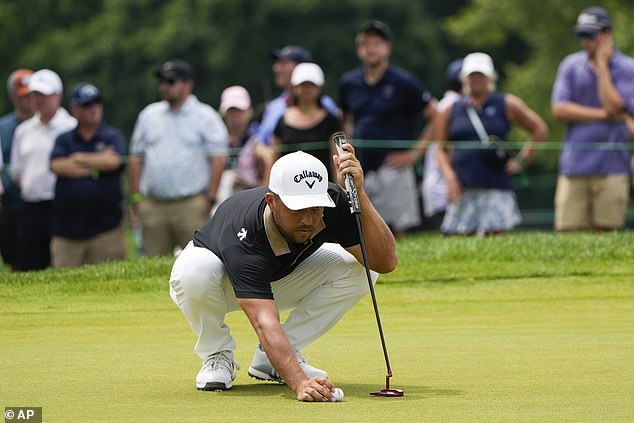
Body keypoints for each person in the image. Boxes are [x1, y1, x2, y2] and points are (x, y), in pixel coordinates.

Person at [169, 148, 397, 401]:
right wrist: (300, 383)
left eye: (314, 208)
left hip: (278, 277)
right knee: (195, 271)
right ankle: (216, 354)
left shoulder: (332, 203)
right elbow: (263, 321)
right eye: (297, 209)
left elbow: (384, 262)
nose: (308, 219)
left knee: (363, 270)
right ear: (272, 202)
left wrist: (360, 195)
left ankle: (272, 360)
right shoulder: (246, 231)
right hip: (219, 285)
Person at [339, 20, 437, 238]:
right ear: (359, 50)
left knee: (396, 229)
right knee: (361, 226)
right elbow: (344, 120)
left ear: (387, 48)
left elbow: (436, 114)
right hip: (361, 164)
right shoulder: (349, 83)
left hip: (393, 166)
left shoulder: (403, 82)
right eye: (365, 44)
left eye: (377, 43)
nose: (371, 48)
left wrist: (415, 154)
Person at [435, 52, 548, 236]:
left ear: (490, 77)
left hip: (496, 185)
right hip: (463, 186)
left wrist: (522, 160)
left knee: (495, 237)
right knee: (460, 239)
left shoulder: (506, 103)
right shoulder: (450, 109)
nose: (477, 80)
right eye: (472, 75)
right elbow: (440, 148)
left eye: (481, 75)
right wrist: (449, 177)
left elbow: (539, 129)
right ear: (464, 78)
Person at [129, 59, 229, 257]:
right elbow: (135, 158)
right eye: (162, 82)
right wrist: (136, 198)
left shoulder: (205, 116)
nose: (164, 87)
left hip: (191, 204)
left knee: (200, 262)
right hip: (154, 205)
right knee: (152, 265)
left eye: (171, 82)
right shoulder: (149, 115)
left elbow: (218, 158)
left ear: (188, 85)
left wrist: (210, 198)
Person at [551, 6, 634, 232]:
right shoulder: (570, 66)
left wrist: (603, 68)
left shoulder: (628, 68)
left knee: (607, 233)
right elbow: (560, 110)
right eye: (581, 35)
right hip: (574, 165)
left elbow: (616, 105)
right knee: (566, 232)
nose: (584, 41)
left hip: (613, 166)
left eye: (589, 35)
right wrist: (606, 116)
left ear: (607, 34)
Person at [49, 83, 127, 267]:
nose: (93, 109)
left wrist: (78, 157)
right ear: (75, 110)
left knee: (112, 286)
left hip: (107, 229)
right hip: (68, 231)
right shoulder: (64, 139)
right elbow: (57, 166)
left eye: (96, 103)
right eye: (87, 105)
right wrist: (98, 163)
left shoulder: (112, 136)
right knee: (63, 287)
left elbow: (115, 162)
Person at [10, 69, 77, 270]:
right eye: (35, 95)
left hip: (61, 205)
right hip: (30, 207)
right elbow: (17, 172)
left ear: (58, 95)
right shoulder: (23, 131)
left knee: (62, 263)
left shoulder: (71, 127)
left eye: (44, 95)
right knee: (29, 265)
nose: (39, 100)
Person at [254, 45, 339, 148]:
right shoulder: (274, 107)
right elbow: (260, 142)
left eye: (284, 63)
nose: (276, 68)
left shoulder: (327, 107)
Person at [272, 63, 342, 180]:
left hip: (323, 188)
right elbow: (274, 159)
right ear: (294, 88)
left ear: (320, 88)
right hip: (288, 189)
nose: (306, 89)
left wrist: (339, 191)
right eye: (302, 85)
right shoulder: (282, 121)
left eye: (311, 85)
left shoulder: (331, 121)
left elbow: (336, 160)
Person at [0, 69, 34, 271]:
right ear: (13, 96)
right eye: (24, 96)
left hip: (41, 202)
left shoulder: (48, 125)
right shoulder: (3, 128)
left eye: (32, 94)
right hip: (11, 203)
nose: (29, 100)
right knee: (15, 258)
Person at [215, 85, 264, 206]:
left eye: (239, 110)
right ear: (224, 112)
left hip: (249, 202)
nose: (235, 115)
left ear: (248, 111)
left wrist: (247, 185)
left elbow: (267, 183)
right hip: (219, 203)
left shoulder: (256, 143)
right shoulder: (216, 141)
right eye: (231, 110)